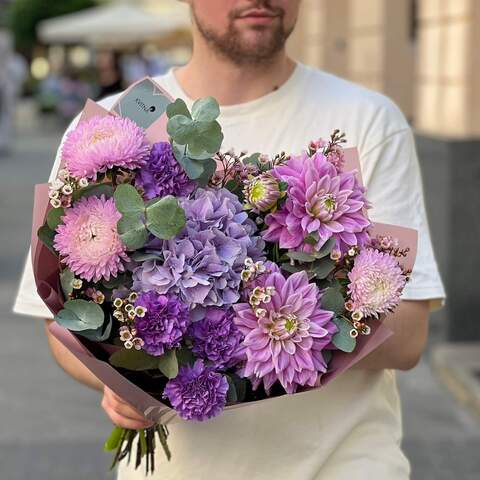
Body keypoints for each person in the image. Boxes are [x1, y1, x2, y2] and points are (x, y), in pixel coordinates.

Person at [13, 1, 446, 479]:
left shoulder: (369, 119)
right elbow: (62, 329)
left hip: (344, 465)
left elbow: (408, 336)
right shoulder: (111, 126)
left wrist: (281, 330)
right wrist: (123, 377)